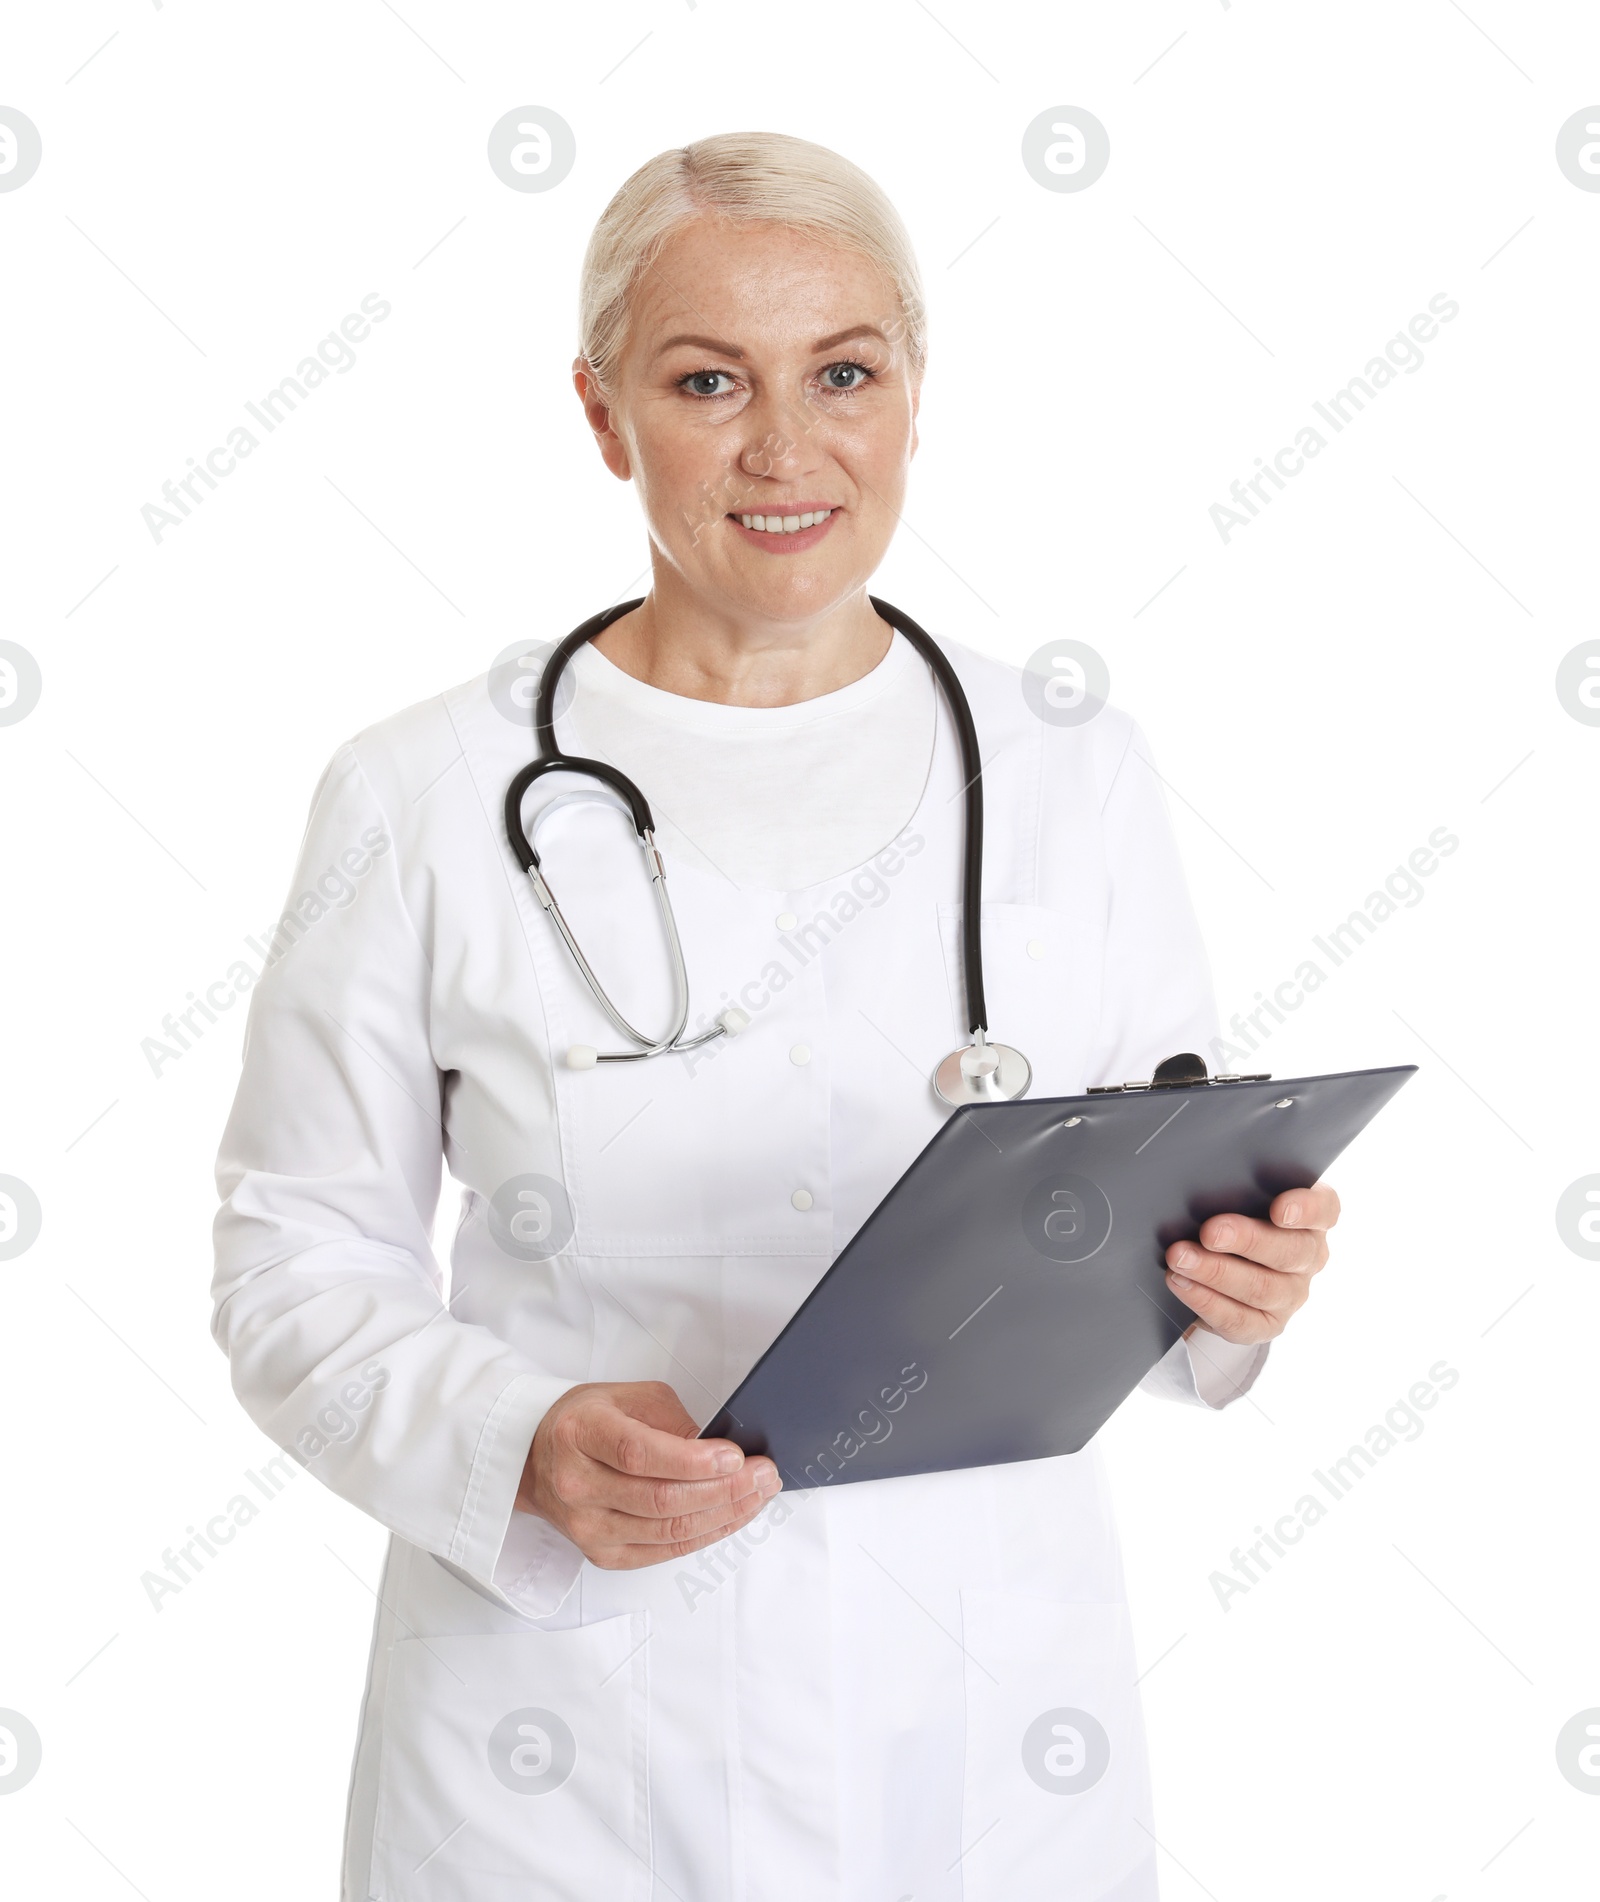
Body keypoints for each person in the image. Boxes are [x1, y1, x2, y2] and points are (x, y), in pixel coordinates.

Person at [211, 130, 1340, 1901]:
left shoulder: (1069, 771)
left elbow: (1176, 1207)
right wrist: (512, 1438)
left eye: (844, 374)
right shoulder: (422, 795)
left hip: (979, 1730)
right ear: (602, 416)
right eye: (706, 381)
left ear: (912, 394)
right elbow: (292, 1259)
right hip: (563, 1747)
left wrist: (1239, 1291)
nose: (785, 448)